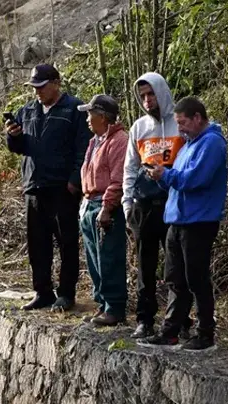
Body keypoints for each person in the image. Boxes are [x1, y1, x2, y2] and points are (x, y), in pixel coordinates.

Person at [4, 64, 91, 311]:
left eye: (41, 87)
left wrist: (75, 180)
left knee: (67, 242)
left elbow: (83, 148)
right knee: (37, 243)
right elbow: (18, 147)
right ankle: (42, 291)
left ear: (56, 83)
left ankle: (66, 293)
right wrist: (13, 135)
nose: (37, 93)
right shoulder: (27, 110)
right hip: (34, 185)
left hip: (63, 187)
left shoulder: (74, 109)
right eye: (34, 88)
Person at [142, 97, 227, 350]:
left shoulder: (211, 143)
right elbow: (176, 181)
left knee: (196, 279)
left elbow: (195, 179)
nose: (180, 129)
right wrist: (158, 176)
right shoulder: (189, 145)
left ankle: (205, 333)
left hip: (199, 221)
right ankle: (171, 330)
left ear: (198, 118)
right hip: (177, 220)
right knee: (175, 279)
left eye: (183, 123)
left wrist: (166, 174)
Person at [122, 72, 181, 339]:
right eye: (143, 95)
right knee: (145, 267)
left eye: (151, 94)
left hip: (174, 204)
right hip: (143, 206)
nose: (147, 100)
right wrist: (127, 204)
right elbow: (130, 168)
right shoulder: (138, 128)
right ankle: (145, 320)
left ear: (161, 92)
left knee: (175, 267)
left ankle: (179, 319)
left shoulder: (179, 125)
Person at [77, 94, 130, 326]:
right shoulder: (94, 141)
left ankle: (114, 307)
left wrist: (107, 207)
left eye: (91, 114)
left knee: (109, 257)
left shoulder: (119, 141)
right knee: (94, 258)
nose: (88, 119)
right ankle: (103, 303)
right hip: (90, 203)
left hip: (105, 206)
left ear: (103, 117)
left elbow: (118, 179)